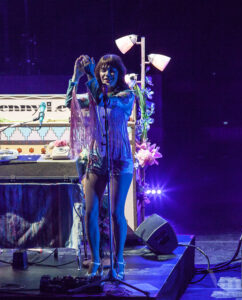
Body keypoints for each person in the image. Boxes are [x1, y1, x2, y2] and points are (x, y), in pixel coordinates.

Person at [65, 54, 134, 279]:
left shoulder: (126, 96)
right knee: (90, 211)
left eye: (111, 70)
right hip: (97, 159)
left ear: (119, 74)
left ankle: (118, 260)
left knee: (115, 213)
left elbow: (105, 102)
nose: (107, 74)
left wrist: (90, 74)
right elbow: (70, 103)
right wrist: (75, 77)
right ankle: (95, 260)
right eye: (102, 70)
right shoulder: (94, 95)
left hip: (119, 159)